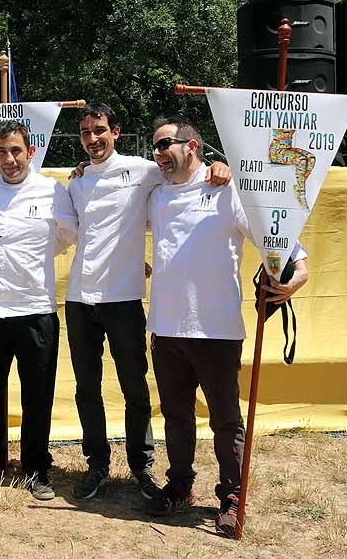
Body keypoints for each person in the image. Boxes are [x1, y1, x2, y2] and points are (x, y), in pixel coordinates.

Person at [145, 118, 308, 537]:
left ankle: (232, 496)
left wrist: (299, 272)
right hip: (164, 328)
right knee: (176, 415)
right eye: (154, 147)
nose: (158, 153)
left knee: (226, 420)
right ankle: (180, 485)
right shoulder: (155, 196)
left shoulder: (228, 189)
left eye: (165, 144)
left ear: (193, 146)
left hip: (216, 329)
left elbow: (275, 233)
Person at [64, 104, 230, 500]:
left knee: (134, 389)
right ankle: (97, 465)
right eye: (85, 133)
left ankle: (141, 466)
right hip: (78, 300)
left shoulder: (144, 169)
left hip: (123, 300)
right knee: (86, 389)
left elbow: (186, 169)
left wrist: (217, 167)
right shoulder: (77, 180)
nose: (92, 139)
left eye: (99, 130)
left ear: (116, 132)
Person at [0, 120, 76, 500]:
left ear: (30, 152)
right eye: (2, 151)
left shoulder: (52, 190)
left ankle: (37, 468)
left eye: (16, 150)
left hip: (37, 309)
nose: (10, 159)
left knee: (38, 394)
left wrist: (38, 257)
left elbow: (68, 233)